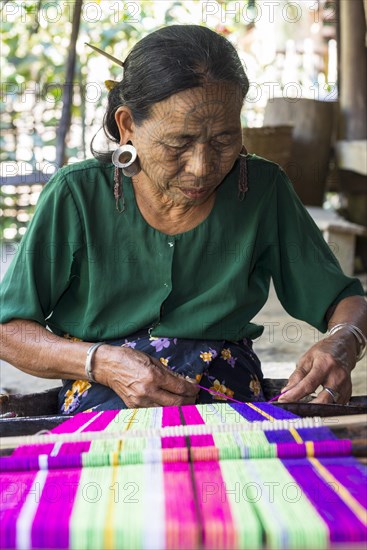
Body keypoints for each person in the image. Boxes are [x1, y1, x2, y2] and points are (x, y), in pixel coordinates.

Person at [0, 25, 366, 414]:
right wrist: (100, 362)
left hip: (229, 389)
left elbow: (344, 300)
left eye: (224, 140)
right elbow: (10, 331)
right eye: (179, 143)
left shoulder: (262, 189)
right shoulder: (76, 195)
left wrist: (344, 339)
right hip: (105, 393)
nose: (202, 167)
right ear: (127, 127)